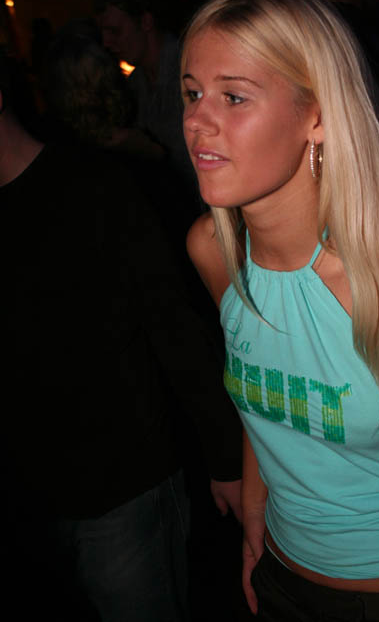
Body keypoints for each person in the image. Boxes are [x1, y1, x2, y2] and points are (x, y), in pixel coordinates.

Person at [181, 0, 379, 621]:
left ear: (319, 116)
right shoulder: (214, 250)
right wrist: (254, 522)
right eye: (192, 92)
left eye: (233, 96)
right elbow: (266, 399)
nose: (198, 120)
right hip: (284, 576)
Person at [0, 49, 242, 622]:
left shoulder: (96, 186)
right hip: (25, 505)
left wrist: (227, 459)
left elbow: (175, 328)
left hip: (124, 492)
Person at [95, 0, 197, 198]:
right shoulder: (133, 85)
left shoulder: (191, 68)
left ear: (145, 22)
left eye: (115, 31)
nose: (106, 42)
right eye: (102, 32)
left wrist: (151, 151)